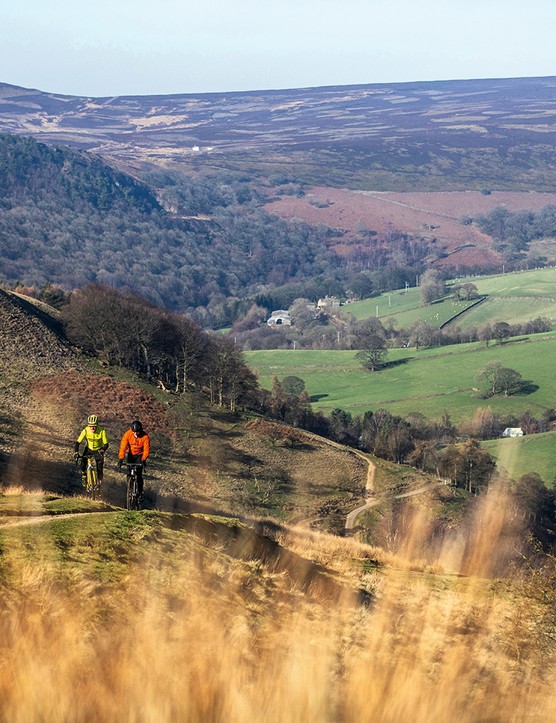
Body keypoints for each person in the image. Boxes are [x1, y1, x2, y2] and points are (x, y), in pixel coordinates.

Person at [117, 420, 151, 502]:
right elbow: (123, 446)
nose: (135, 434)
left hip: (140, 455)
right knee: (129, 473)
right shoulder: (128, 434)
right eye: (134, 432)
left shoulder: (145, 436)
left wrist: (143, 459)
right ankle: (130, 487)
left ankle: (140, 492)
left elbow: (146, 449)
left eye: (137, 432)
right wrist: (121, 458)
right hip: (131, 454)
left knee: (139, 474)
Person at [73, 414, 109, 484]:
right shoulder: (85, 430)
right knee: (83, 463)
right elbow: (77, 443)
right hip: (88, 449)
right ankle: (84, 475)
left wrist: (102, 450)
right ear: (88, 425)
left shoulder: (102, 431)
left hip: (98, 450)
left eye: (94, 426)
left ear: (97, 425)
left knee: (99, 468)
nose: (92, 428)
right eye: (91, 426)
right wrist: (76, 453)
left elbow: (106, 444)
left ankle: (99, 482)